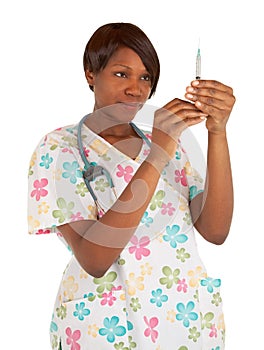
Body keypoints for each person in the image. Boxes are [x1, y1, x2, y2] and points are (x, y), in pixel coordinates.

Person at [27, 22, 235, 349]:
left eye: (145, 77)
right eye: (122, 74)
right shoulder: (60, 149)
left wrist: (217, 132)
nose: (136, 89)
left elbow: (215, 230)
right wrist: (157, 155)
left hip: (186, 324)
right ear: (90, 74)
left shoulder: (171, 145)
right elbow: (94, 258)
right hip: (106, 329)